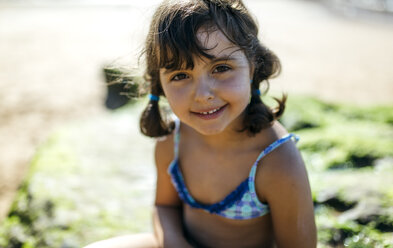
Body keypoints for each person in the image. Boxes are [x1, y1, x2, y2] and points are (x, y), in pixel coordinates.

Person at [85, 0, 316, 247]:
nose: (202, 94)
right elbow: (164, 207)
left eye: (221, 68)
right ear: (159, 84)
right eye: (180, 75)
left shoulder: (276, 160)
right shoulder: (172, 141)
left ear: (252, 67)